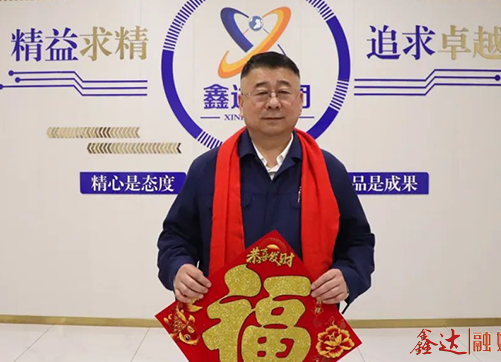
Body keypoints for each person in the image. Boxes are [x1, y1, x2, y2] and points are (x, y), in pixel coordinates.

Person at [157, 51, 374, 309]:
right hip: (226, 317)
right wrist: (178, 268)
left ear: (300, 100)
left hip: (305, 320)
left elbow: (358, 241)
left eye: (283, 92)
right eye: (261, 93)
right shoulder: (207, 169)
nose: (273, 103)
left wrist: (348, 276)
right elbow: (176, 237)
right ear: (241, 102)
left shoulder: (329, 170)